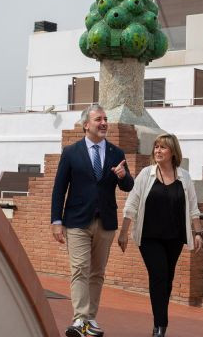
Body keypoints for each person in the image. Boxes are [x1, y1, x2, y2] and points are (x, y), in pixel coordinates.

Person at [51, 104, 134, 337]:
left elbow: (128, 186)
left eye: (106, 119)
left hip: (105, 221)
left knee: (97, 272)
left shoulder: (116, 153)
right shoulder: (71, 152)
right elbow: (59, 189)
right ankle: (79, 319)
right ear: (86, 124)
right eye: (99, 119)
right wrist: (56, 220)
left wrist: (124, 176)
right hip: (77, 220)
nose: (104, 123)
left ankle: (90, 318)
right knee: (79, 268)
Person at [118, 133, 203, 337]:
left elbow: (193, 208)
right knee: (158, 276)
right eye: (156, 147)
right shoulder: (146, 174)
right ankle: (160, 327)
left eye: (162, 147)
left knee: (167, 279)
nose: (157, 151)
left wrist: (197, 233)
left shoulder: (184, 177)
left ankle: (159, 323)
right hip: (149, 237)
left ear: (173, 152)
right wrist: (123, 232)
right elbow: (131, 204)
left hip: (174, 238)